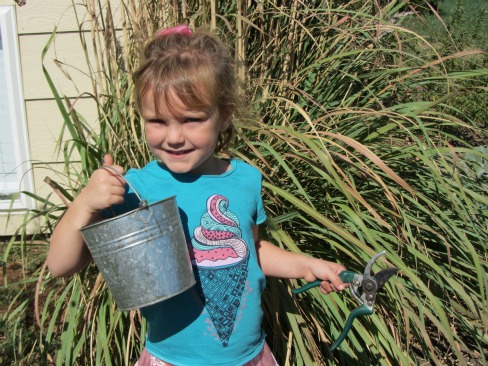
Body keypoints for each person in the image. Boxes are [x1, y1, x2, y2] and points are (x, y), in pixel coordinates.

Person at [47, 25, 347, 366]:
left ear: (224, 117)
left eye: (191, 119)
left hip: (248, 357)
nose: (174, 136)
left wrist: (306, 264)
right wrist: (84, 203)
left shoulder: (246, 180)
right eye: (157, 121)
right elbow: (60, 265)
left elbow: (252, 251)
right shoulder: (133, 188)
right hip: (172, 359)